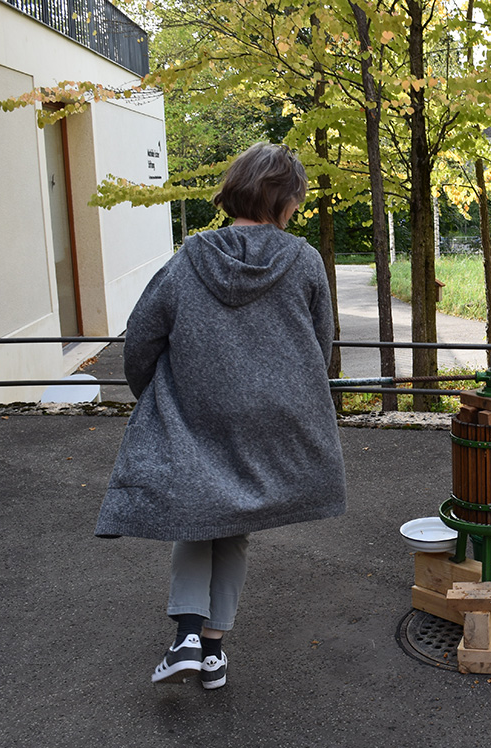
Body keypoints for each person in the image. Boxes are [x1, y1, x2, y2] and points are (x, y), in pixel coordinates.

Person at [95, 143, 347, 688]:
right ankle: (212, 651)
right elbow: (319, 342)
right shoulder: (302, 259)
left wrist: (156, 394)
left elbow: (141, 336)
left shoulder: (189, 258)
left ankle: (186, 635)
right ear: (285, 202)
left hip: (198, 412)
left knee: (198, 517)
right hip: (271, 419)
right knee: (233, 526)